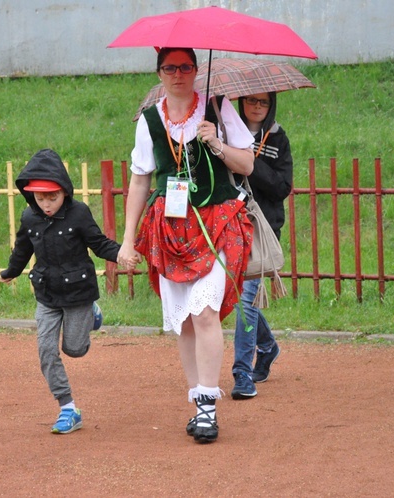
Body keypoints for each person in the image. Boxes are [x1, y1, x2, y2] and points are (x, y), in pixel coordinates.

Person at [118, 47, 255, 443]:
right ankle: (198, 402)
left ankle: (209, 408)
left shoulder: (218, 107)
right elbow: (140, 180)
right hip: (171, 230)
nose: (178, 74)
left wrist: (216, 142)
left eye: (185, 66)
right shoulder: (148, 121)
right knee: (185, 320)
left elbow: (246, 165)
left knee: (206, 312)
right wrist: (128, 240)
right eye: (169, 67)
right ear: (159, 72)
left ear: (196, 70)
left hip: (217, 224)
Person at [0, 148, 123, 434]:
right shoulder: (29, 218)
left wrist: (122, 254)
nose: (46, 204)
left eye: (52, 197)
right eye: (40, 198)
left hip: (79, 293)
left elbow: (99, 243)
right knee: (46, 350)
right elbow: (23, 248)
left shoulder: (79, 213)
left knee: (75, 349)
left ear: (65, 192)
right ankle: (68, 408)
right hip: (47, 293)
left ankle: (92, 314)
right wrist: (12, 271)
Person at [230, 92, 293, 400]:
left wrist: (251, 164)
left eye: (263, 102)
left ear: (271, 106)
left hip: (261, 230)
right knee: (235, 296)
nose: (256, 107)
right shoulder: (226, 133)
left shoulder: (278, 139)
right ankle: (267, 346)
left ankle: (242, 372)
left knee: (244, 298)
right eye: (251, 100)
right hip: (228, 226)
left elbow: (283, 187)